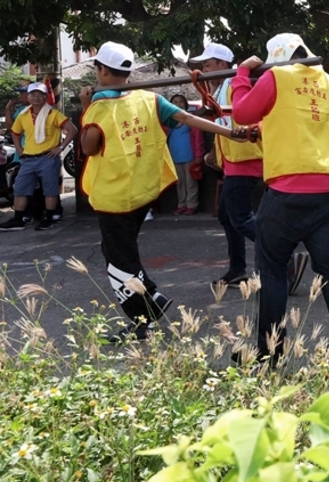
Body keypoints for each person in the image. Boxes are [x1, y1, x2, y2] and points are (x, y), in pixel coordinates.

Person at [77, 42, 249, 343]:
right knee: (119, 250)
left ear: (101, 70)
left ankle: (145, 314)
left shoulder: (99, 107)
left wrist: (85, 107)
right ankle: (149, 303)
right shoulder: (150, 99)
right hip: (143, 190)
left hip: (114, 196)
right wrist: (231, 132)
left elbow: (89, 147)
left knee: (119, 259)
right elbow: (188, 118)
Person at [231, 33, 329, 364]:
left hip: (288, 188)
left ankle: (270, 351)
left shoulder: (275, 77)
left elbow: (241, 112)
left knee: (271, 267)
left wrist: (241, 74)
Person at [190, 42, 269, 289]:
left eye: (208, 65)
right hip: (234, 159)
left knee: (240, 217)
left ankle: (282, 255)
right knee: (228, 216)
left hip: (244, 157)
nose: (204, 70)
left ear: (222, 64)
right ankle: (237, 269)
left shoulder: (235, 84)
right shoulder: (223, 87)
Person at [1, 83, 77, 230]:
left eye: (39, 95)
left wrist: (60, 147)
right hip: (28, 158)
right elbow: (15, 132)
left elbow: (72, 129)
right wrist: (19, 149)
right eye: (32, 95)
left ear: (45, 97)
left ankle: (49, 218)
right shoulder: (23, 115)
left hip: (47, 158)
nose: (36, 98)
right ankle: (18, 219)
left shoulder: (53, 114)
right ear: (28, 97)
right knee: (20, 189)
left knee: (50, 190)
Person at [166, 94, 204, 215]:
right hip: (175, 157)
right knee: (180, 183)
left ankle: (191, 205)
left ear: (186, 104)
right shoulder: (169, 122)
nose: (178, 104)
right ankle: (181, 205)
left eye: (181, 102)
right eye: (175, 102)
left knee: (190, 182)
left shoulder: (190, 119)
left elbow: (198, 137)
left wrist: (199, 155)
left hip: (190, 157)